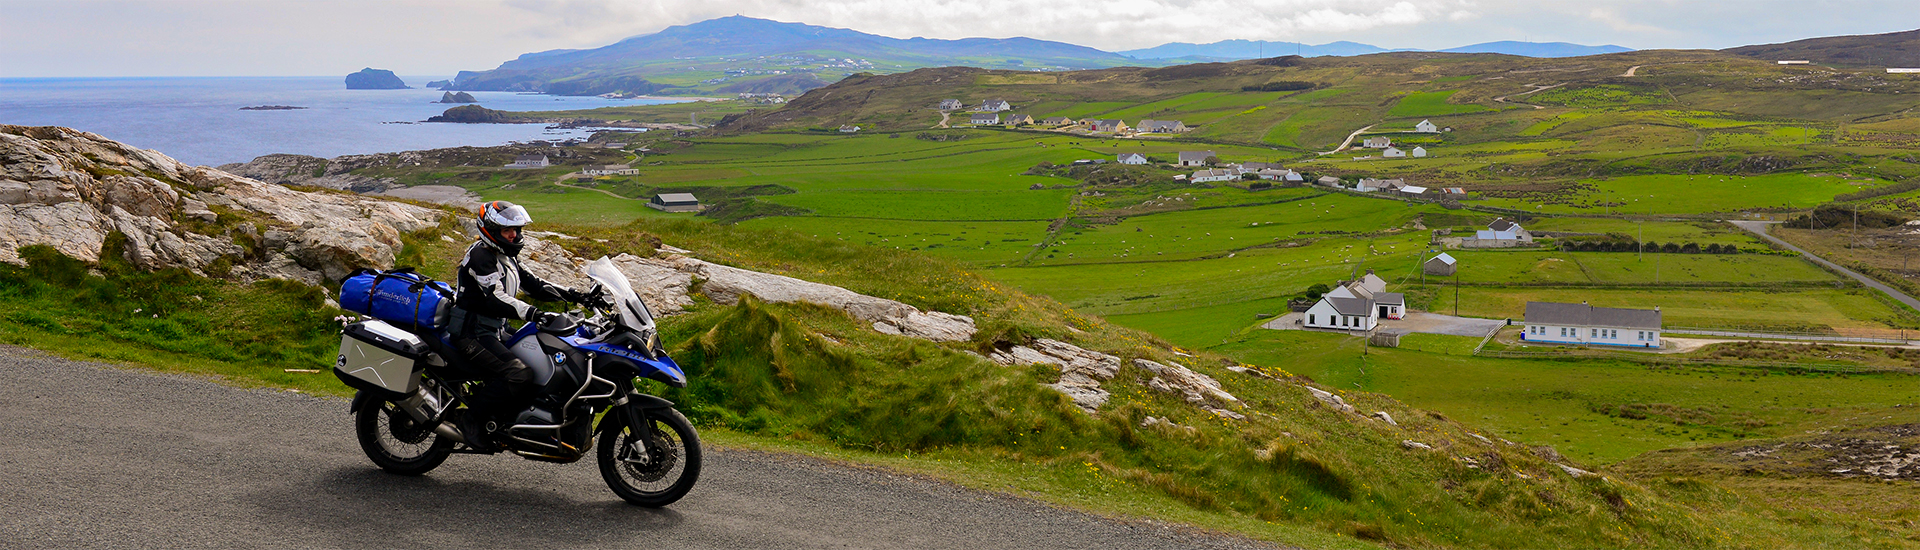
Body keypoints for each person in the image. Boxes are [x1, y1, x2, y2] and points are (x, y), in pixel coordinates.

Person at [448, 201, 587, 450]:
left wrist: (576, 295)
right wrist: (533, 313)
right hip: (472, 333)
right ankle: (470, 420)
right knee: (518, 373)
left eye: (517, 230)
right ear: (490, 229)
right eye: (507, 231)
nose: (514, 235)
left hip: (495, 330)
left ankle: (519, 419)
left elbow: (534, 284)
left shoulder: (504, 255)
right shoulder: (481, 256)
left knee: (543, 358)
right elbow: (495, 296)